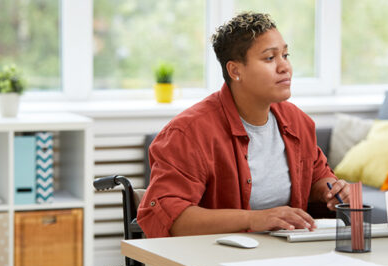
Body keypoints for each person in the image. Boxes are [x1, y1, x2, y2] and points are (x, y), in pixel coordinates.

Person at [137, 12, 349, 238]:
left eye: (285, 55)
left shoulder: (298, 122)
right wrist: (254, 220)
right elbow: (171, 217)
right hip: (211, 259)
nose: (284, 67)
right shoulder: (188, 133)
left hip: (285, 255)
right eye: (270, 58)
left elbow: (318, 176)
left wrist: (331, 191)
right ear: (235, 71)